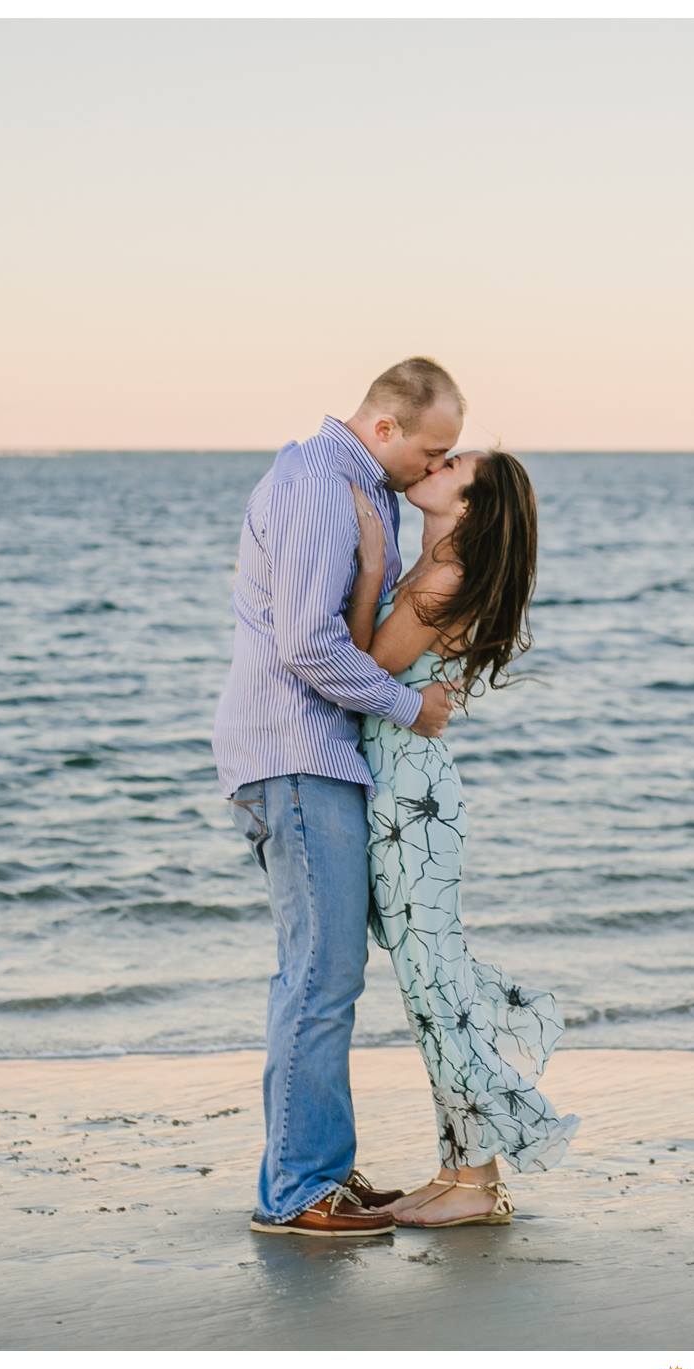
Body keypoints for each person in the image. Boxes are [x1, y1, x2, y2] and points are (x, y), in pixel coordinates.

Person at [212, 358, 462, 1238]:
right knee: (319, 977)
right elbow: (308, 647)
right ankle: (296, 1192)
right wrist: (412, 707)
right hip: (296, 751)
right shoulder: (322, 483)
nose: (436, 468)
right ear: (387, 427)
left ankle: (316, 1168)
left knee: (325, 974)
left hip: (310, 754)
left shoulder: (354, 485)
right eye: (432, 450)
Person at [346, 449, 580, 1228]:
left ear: (472, 508)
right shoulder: (433, 564)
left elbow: (364, 668)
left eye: (453, 465)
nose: (434, 464)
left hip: (412, 799)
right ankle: (457, 1170)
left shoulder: (439, 578)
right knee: (429, 992)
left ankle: (477, 1181)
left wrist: (372, 564)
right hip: (403, 792)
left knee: (437, 995)